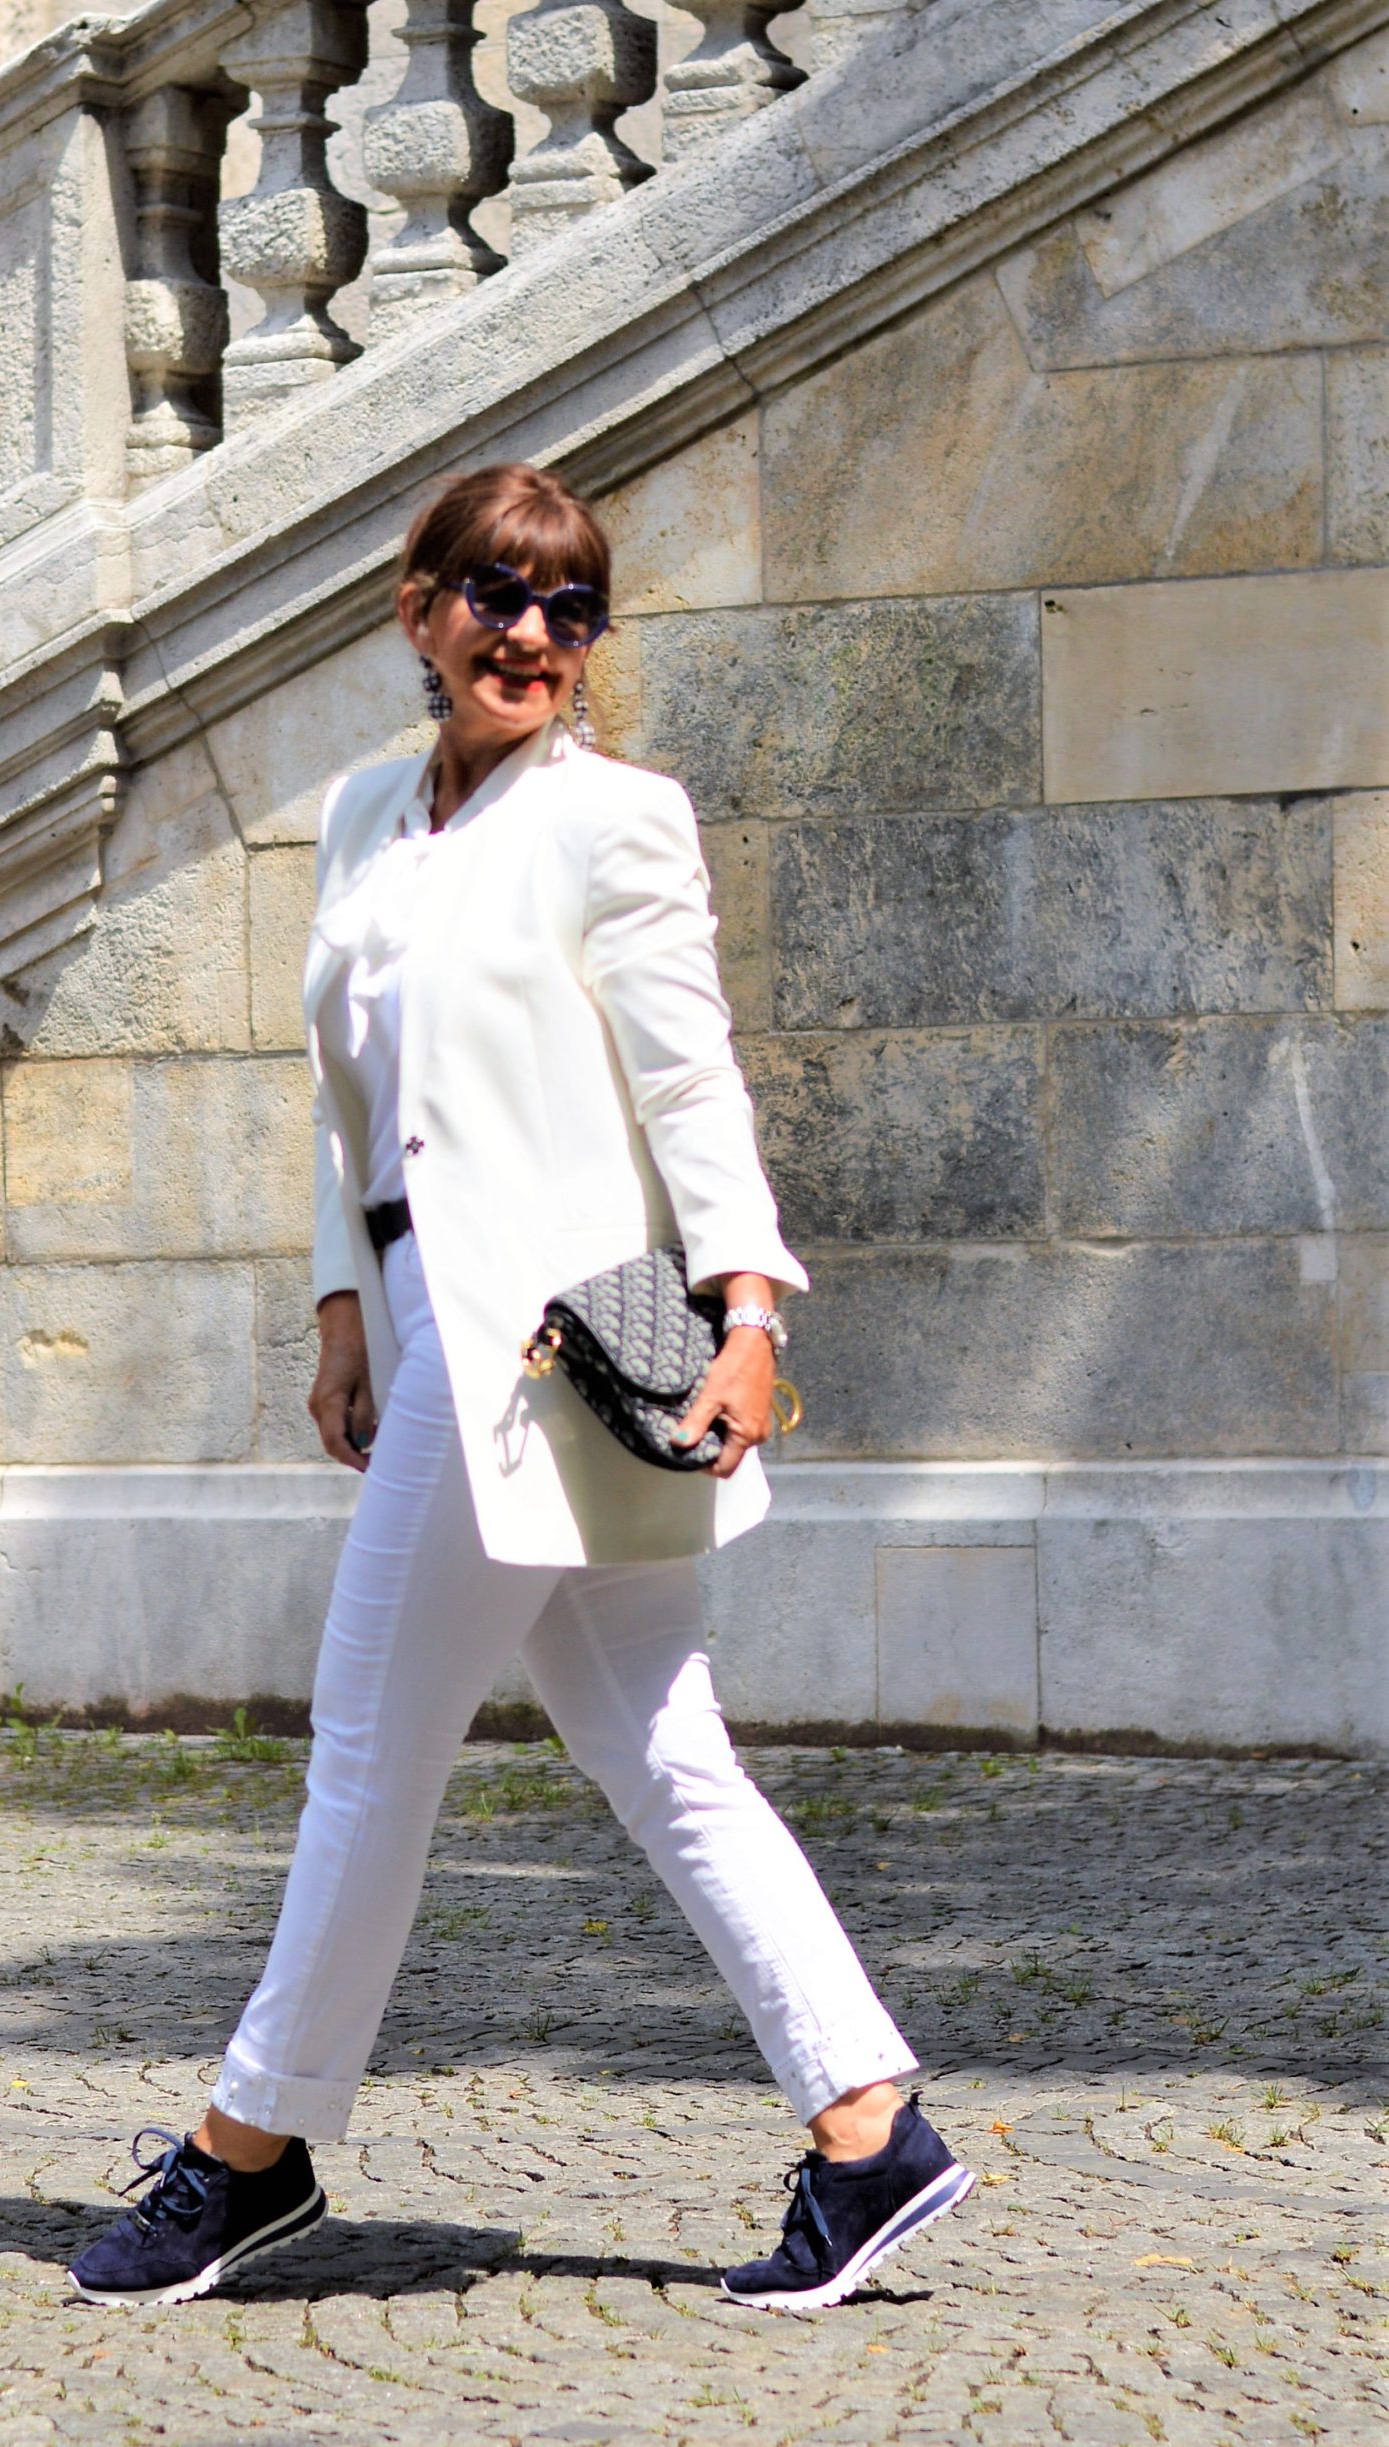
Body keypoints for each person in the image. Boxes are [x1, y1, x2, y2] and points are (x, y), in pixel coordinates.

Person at [67, 463, 972, 2314]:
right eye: (498, 594)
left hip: (546, 1357)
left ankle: (248, 2147)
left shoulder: (614, 821)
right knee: (668, 1752)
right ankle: (867, 2129)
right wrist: (342, 1308)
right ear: (420, 610)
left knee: (366, 1749)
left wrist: (750, 1311)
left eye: (571, 608)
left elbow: (692, 1076)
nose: (534, 635)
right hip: (422, 1323)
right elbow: (350, 1106)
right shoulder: (362, 819)